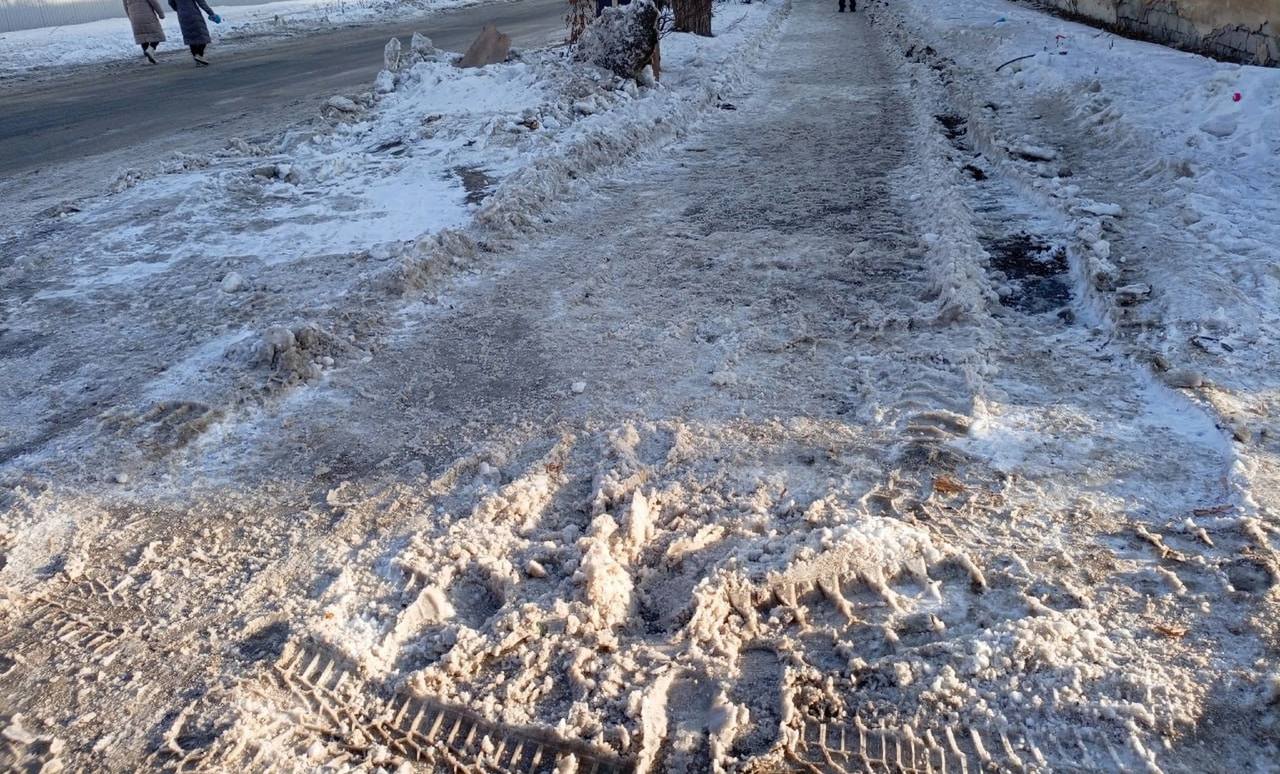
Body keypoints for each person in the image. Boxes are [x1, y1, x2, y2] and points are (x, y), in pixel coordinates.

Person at [168, 0, 221, 65]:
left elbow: (171, 3)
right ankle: (199, 56)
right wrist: (211, 13)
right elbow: (202, 3)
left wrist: (180, 9)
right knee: (203, 36)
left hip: (182, 15)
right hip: (194, 14)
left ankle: (197, 59)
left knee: (191, 38)